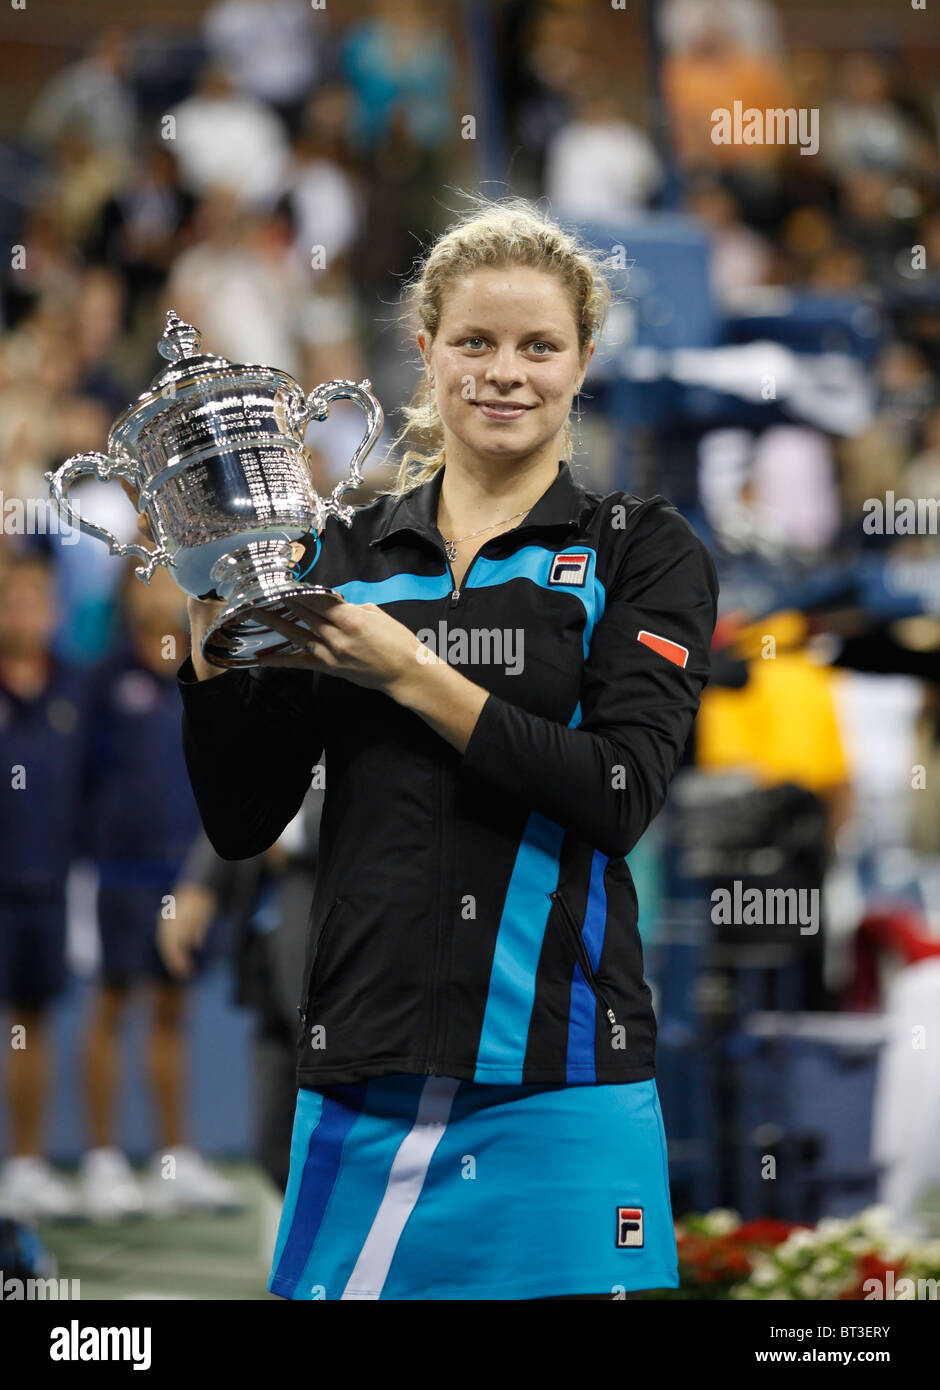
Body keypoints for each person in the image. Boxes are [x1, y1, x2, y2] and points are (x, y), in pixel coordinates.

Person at [177, 199, 719, 1300]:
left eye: (537, 346)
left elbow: (616, 793)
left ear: (581, 361)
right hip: (364, 1077)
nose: (504, 372)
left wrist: (410, 674)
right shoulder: (340, 551)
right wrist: (209, 655)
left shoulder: (640, 550)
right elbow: (243, 818)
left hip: (562, 1082)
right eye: (474, 342)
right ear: (424, 353)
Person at [80, 563, 238, 1218]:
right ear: (123, 593)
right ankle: (103, 1162)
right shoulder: (102, 678)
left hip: (185, 872)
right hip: (116, 873)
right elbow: (78, 776)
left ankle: (175, 1160)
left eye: (164, 581)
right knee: (113, 1006)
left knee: (174, 1010)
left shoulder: (203, 668)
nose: (155, 593)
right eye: (143, 581)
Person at [0, 550, 88, 1221]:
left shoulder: (74, 691)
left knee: (33, 1026)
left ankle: (26, 1165)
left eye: (35, 599)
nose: (24, 611)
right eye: (11, 599)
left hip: (48, 889)